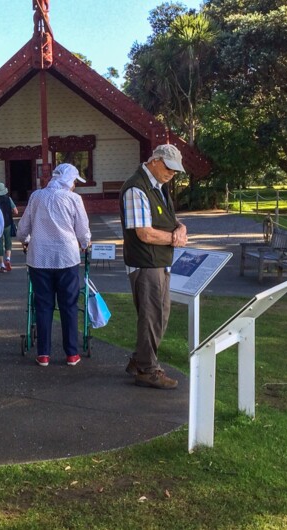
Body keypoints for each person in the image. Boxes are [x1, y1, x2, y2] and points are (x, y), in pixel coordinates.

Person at [119, 144, 188, 390]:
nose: (172, 173)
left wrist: (180, 227)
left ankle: (140, 361)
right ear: (155, 161)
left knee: (159, 314)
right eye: (169, 168)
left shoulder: (157, 187)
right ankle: (148, 369)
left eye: (175, 170)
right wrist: (174, 238)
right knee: (152, 316)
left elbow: (168, 219)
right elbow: (144, 233)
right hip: (146, 262)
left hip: (157, 261)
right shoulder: (136, 188)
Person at [17, 164, 91, 367]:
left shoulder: (36, 196)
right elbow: (82, 229)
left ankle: (43, 354)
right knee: (69, 305)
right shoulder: (73, 199)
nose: (75, 185)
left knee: (43, 305)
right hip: (66, 257)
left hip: (39, 257)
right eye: (75, 181)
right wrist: (85, 243)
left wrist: (23, 238)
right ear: (68, 180)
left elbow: (24, 227)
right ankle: (71, 353)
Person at [0, 182, 18, 272]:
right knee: (8, 242)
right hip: (8, 223)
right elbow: (16, 211)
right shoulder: (8, 199)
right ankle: (8, 260)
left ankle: (2, 264)